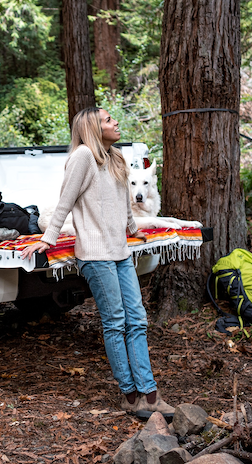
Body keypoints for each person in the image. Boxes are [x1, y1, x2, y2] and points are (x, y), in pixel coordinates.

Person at [20, 107, 175, 420]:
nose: (115, 122)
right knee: (116, 322)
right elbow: (65, 201)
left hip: (120, 252)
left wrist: (133, 230)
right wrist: (48, 239)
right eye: (107, 120)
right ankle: (131, 395)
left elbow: (123, 204)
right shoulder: (83, 157)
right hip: (94, 255)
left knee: (138, 319)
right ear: (92, 127)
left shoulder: (115, 157)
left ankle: (151, 394)